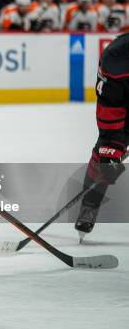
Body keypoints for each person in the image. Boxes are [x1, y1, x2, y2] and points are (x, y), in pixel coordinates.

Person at [75, 33, 128, 241]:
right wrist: (111, 150)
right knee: (104, 158)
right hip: (123, 100)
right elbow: (111, 113)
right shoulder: (116, 59)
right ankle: (90, 204)